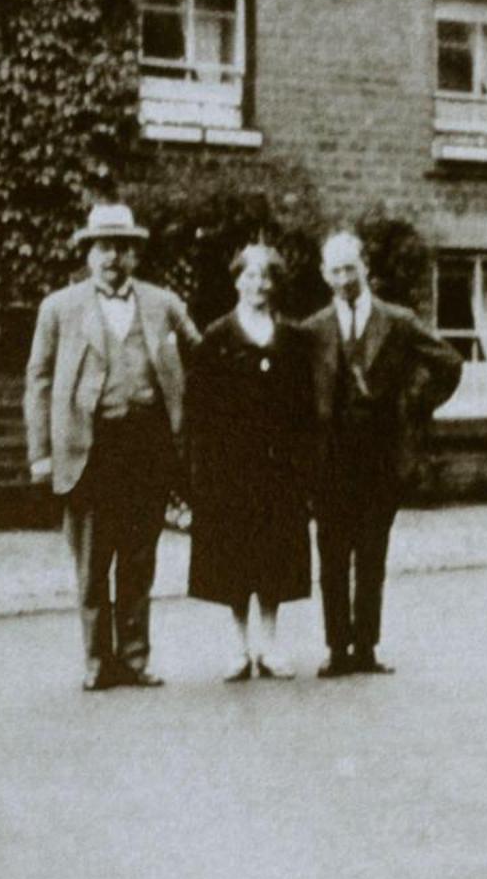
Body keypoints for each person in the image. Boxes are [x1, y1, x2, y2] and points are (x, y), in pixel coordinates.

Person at [25, 202, 200, 691]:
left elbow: (203, 356)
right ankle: (99, 661)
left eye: (122, 248)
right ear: (87, 252)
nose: (113, 258)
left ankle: (137, 658)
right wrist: (41, 452)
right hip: (89, 450)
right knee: (92, 561)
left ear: (135, 254)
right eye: (104, 247)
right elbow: (37, 381)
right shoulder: (59, 308)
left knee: (139, 558)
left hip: (148, 447)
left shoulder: (164, 304)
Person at [304, 230, 463, 677]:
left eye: (349, 268)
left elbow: (449, 362)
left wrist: (415, 404)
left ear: (364, 268)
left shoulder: (397, 321)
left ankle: (367, 648)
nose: (343, 278)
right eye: (334, 270)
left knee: (372, 556)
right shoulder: (314, 329)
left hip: (379, 459)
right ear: (324, 275)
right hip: (331, 461)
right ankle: (338, 648)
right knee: (333, 559)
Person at [186, 244, 314, 681]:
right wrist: (202, 470)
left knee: (275, 556)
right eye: (249, 275)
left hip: (280, 469)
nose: (258, 284)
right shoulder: (216, 338)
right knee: (235, 557)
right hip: (230, 468)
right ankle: (239, 647)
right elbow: (198, 410)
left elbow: (305, 409)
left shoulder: (294, 339)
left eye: (266, 277)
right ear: (236, 279)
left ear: (275, 284)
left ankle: (271, 645)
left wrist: (302, 464)